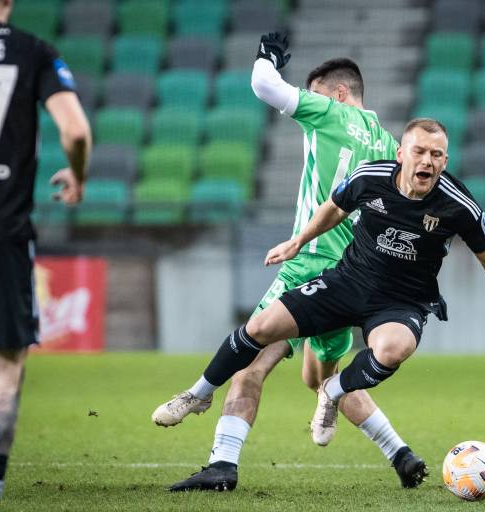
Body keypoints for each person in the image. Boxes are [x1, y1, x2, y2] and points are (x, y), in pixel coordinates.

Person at [164, 118, 485, 492]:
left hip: (402, 302)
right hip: (346, 283)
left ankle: (333, 390)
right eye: (419, 151)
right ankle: (198, 393)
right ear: (401, 153)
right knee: (261, 327)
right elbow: (335, 207)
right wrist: (298, 241)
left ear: (445, 160)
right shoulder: (370, 177)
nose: (427, 161)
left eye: (436, 154)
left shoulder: (457, 203)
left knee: (393, 349)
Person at [153, 33, 427, 491]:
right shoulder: (388, 144)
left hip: (308, 265)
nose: (310, 104)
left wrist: (268, 57)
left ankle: (221, 459)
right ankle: (400, 453)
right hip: (351, 275)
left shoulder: (331, 112)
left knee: (251, 363)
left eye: (317, 94)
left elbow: (264, 85)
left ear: (339, 93)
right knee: (323, 379)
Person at [0, 1, 92, 510]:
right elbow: (76, 131)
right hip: (2, 229)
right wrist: (78, 176)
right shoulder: (33, 51)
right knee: (2, 371)